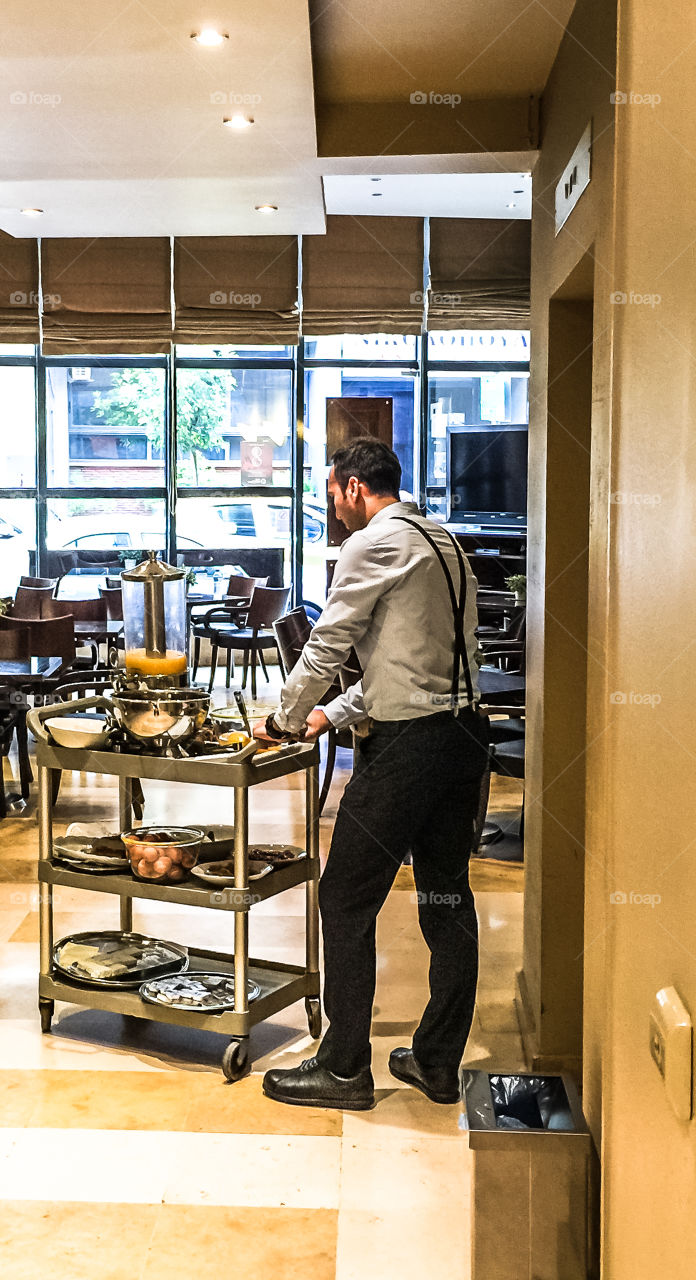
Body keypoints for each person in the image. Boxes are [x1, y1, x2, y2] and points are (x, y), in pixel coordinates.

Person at [254, 438, 489, 1111]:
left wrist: (286, 716)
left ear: (354, 486)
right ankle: (437, 1063)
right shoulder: (441, 540)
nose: (333, 505)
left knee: (346, 898)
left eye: (333, 491)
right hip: (461, 736)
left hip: (410, 748)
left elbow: (330, 639)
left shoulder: (371, 543)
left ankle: (343, 1067)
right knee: (445, 893)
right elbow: (420, 660)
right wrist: (334, 713)